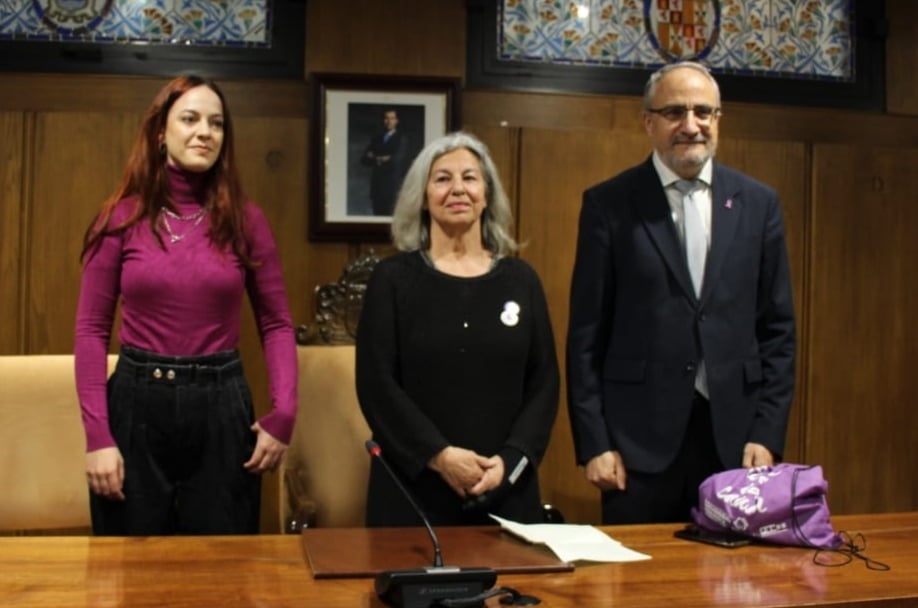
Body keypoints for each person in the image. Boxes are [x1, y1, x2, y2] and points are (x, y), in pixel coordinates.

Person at [566, 62, 796, 525]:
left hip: (736, 444)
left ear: (718, 119)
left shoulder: (758, 203)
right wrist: (595, 442)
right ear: (648, 122)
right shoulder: (609, 205)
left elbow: (778, 330)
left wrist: (767, 433)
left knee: (733, 589)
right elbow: (586, 334)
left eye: (702, 112)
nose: (690, 126)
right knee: (641, 589)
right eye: (674, 112)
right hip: (635, 448)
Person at [75, 75, 298, 535]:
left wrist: (285, 413)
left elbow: (276, 323)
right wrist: (97, 435)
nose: (205, 132)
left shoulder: (246, 220)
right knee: (128, 575)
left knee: (221, 574)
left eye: (217, 123)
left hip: (222, 410)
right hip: (136, 406)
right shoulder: (120, 217)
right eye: (190, 119)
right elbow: (91, 331)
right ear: (161, 132)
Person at [356, 131, 559, 526]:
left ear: (487, 194)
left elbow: (545, 382)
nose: (457, 189)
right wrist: (440, 456)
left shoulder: (521, 280)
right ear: (423, 196)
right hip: (412, 491)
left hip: (505, 489)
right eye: (442, 178)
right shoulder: (392, 279)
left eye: (470, 177)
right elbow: (376, 384)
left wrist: (511, 462)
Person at [360, 108, 409, 216]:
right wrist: (381, 158)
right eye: (386, 118)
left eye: (392, 118)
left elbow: (395, 161)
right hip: (377, 186)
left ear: (397, 121)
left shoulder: (401, 139)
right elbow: (364, 160)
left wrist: (374, 157)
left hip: (392, 187)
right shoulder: (376, 139)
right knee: (377, 219)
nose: (388, 121)